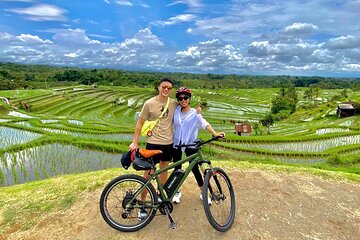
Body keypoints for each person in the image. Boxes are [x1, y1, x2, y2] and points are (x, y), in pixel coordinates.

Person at [129, 78, 177, 220]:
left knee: (164, 170)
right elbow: (140, 123)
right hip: (153, 143)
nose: (166, 90)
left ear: (171, 90)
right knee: (148, 173)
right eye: (164, 87)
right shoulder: (149, 103)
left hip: (168, 143)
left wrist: (198, 112)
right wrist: (135, 142)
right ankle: (142, 203)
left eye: (169, 88)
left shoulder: (174, 104)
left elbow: (186, 109)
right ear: (159, 87)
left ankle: (160, 196)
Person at [171, 87, 224, 204]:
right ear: (178, 100)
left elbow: (204, 124)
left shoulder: (195, 113)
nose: (183, 100)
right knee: (177, 169)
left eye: (186, 97)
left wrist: (215, 133)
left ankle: (203, 193)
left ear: (189, 99)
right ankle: (176, 191)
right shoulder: (176, 111)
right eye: (180, 98)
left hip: (190, 144)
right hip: (176, 144)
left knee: (195, 170)